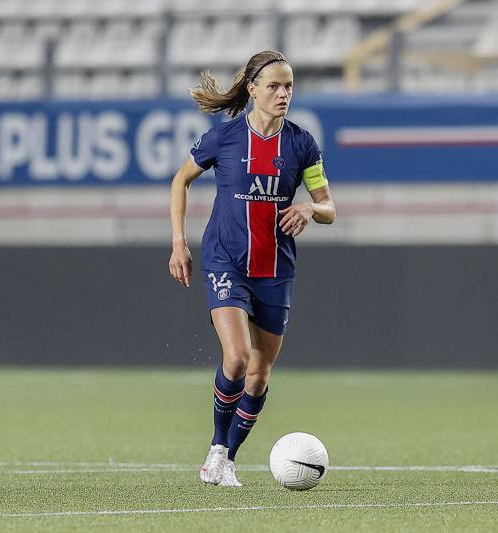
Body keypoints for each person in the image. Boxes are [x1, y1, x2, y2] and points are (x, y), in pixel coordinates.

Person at [168, 50, 336, 487]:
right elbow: (180, 180)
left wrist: (309, 210)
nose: (284, 94)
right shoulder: (223, 138)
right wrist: (178, 242)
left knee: (260, 375)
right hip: (225, 259)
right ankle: (217, 449)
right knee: (238, 358)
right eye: (275, 86)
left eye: (290, 87)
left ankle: (225, 458)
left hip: (276, 267)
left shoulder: (302, 144)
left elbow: (329, 206)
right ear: (253, 90)